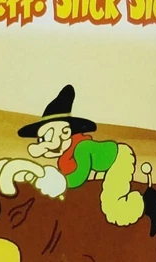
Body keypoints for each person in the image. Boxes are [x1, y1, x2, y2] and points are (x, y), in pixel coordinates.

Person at [18, 85, 144, 227]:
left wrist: (56, 182)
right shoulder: (65, 158)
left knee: (112, 205)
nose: (43, 145)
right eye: (40, 139)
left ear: (65, 132)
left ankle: (144, 204)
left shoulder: (82, 148)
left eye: (46, 137)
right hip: (102, 168)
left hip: (119, 158)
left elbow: (78, 177)